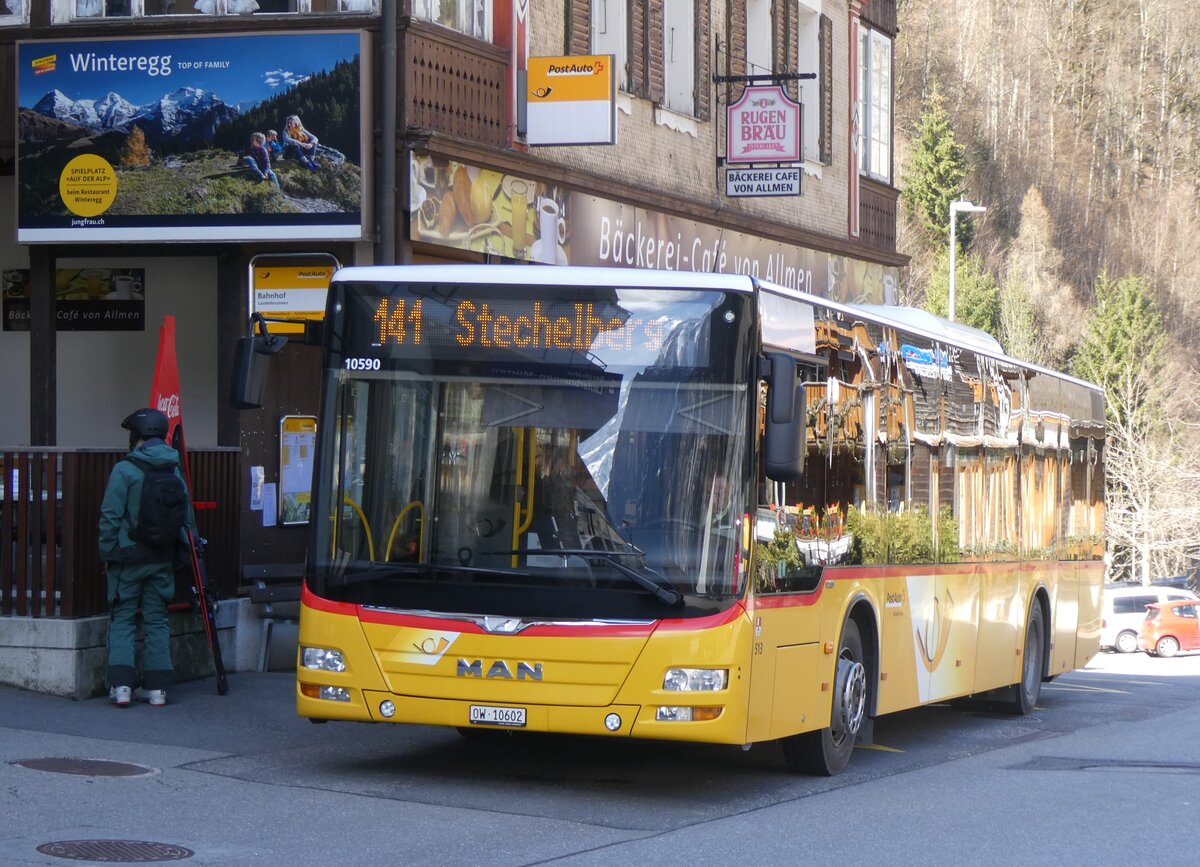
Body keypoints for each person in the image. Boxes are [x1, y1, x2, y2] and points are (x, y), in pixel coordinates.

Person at [98, 408, 192, 708]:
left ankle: (122, 687)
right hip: (162, 557)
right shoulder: (173, 468)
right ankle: (157, 690)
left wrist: (106, 551)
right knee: (157, 620)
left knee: (122, 618)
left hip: (127, 557)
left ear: (136, 437)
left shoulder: (125, 470)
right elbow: (185, 516)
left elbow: (110, 515)